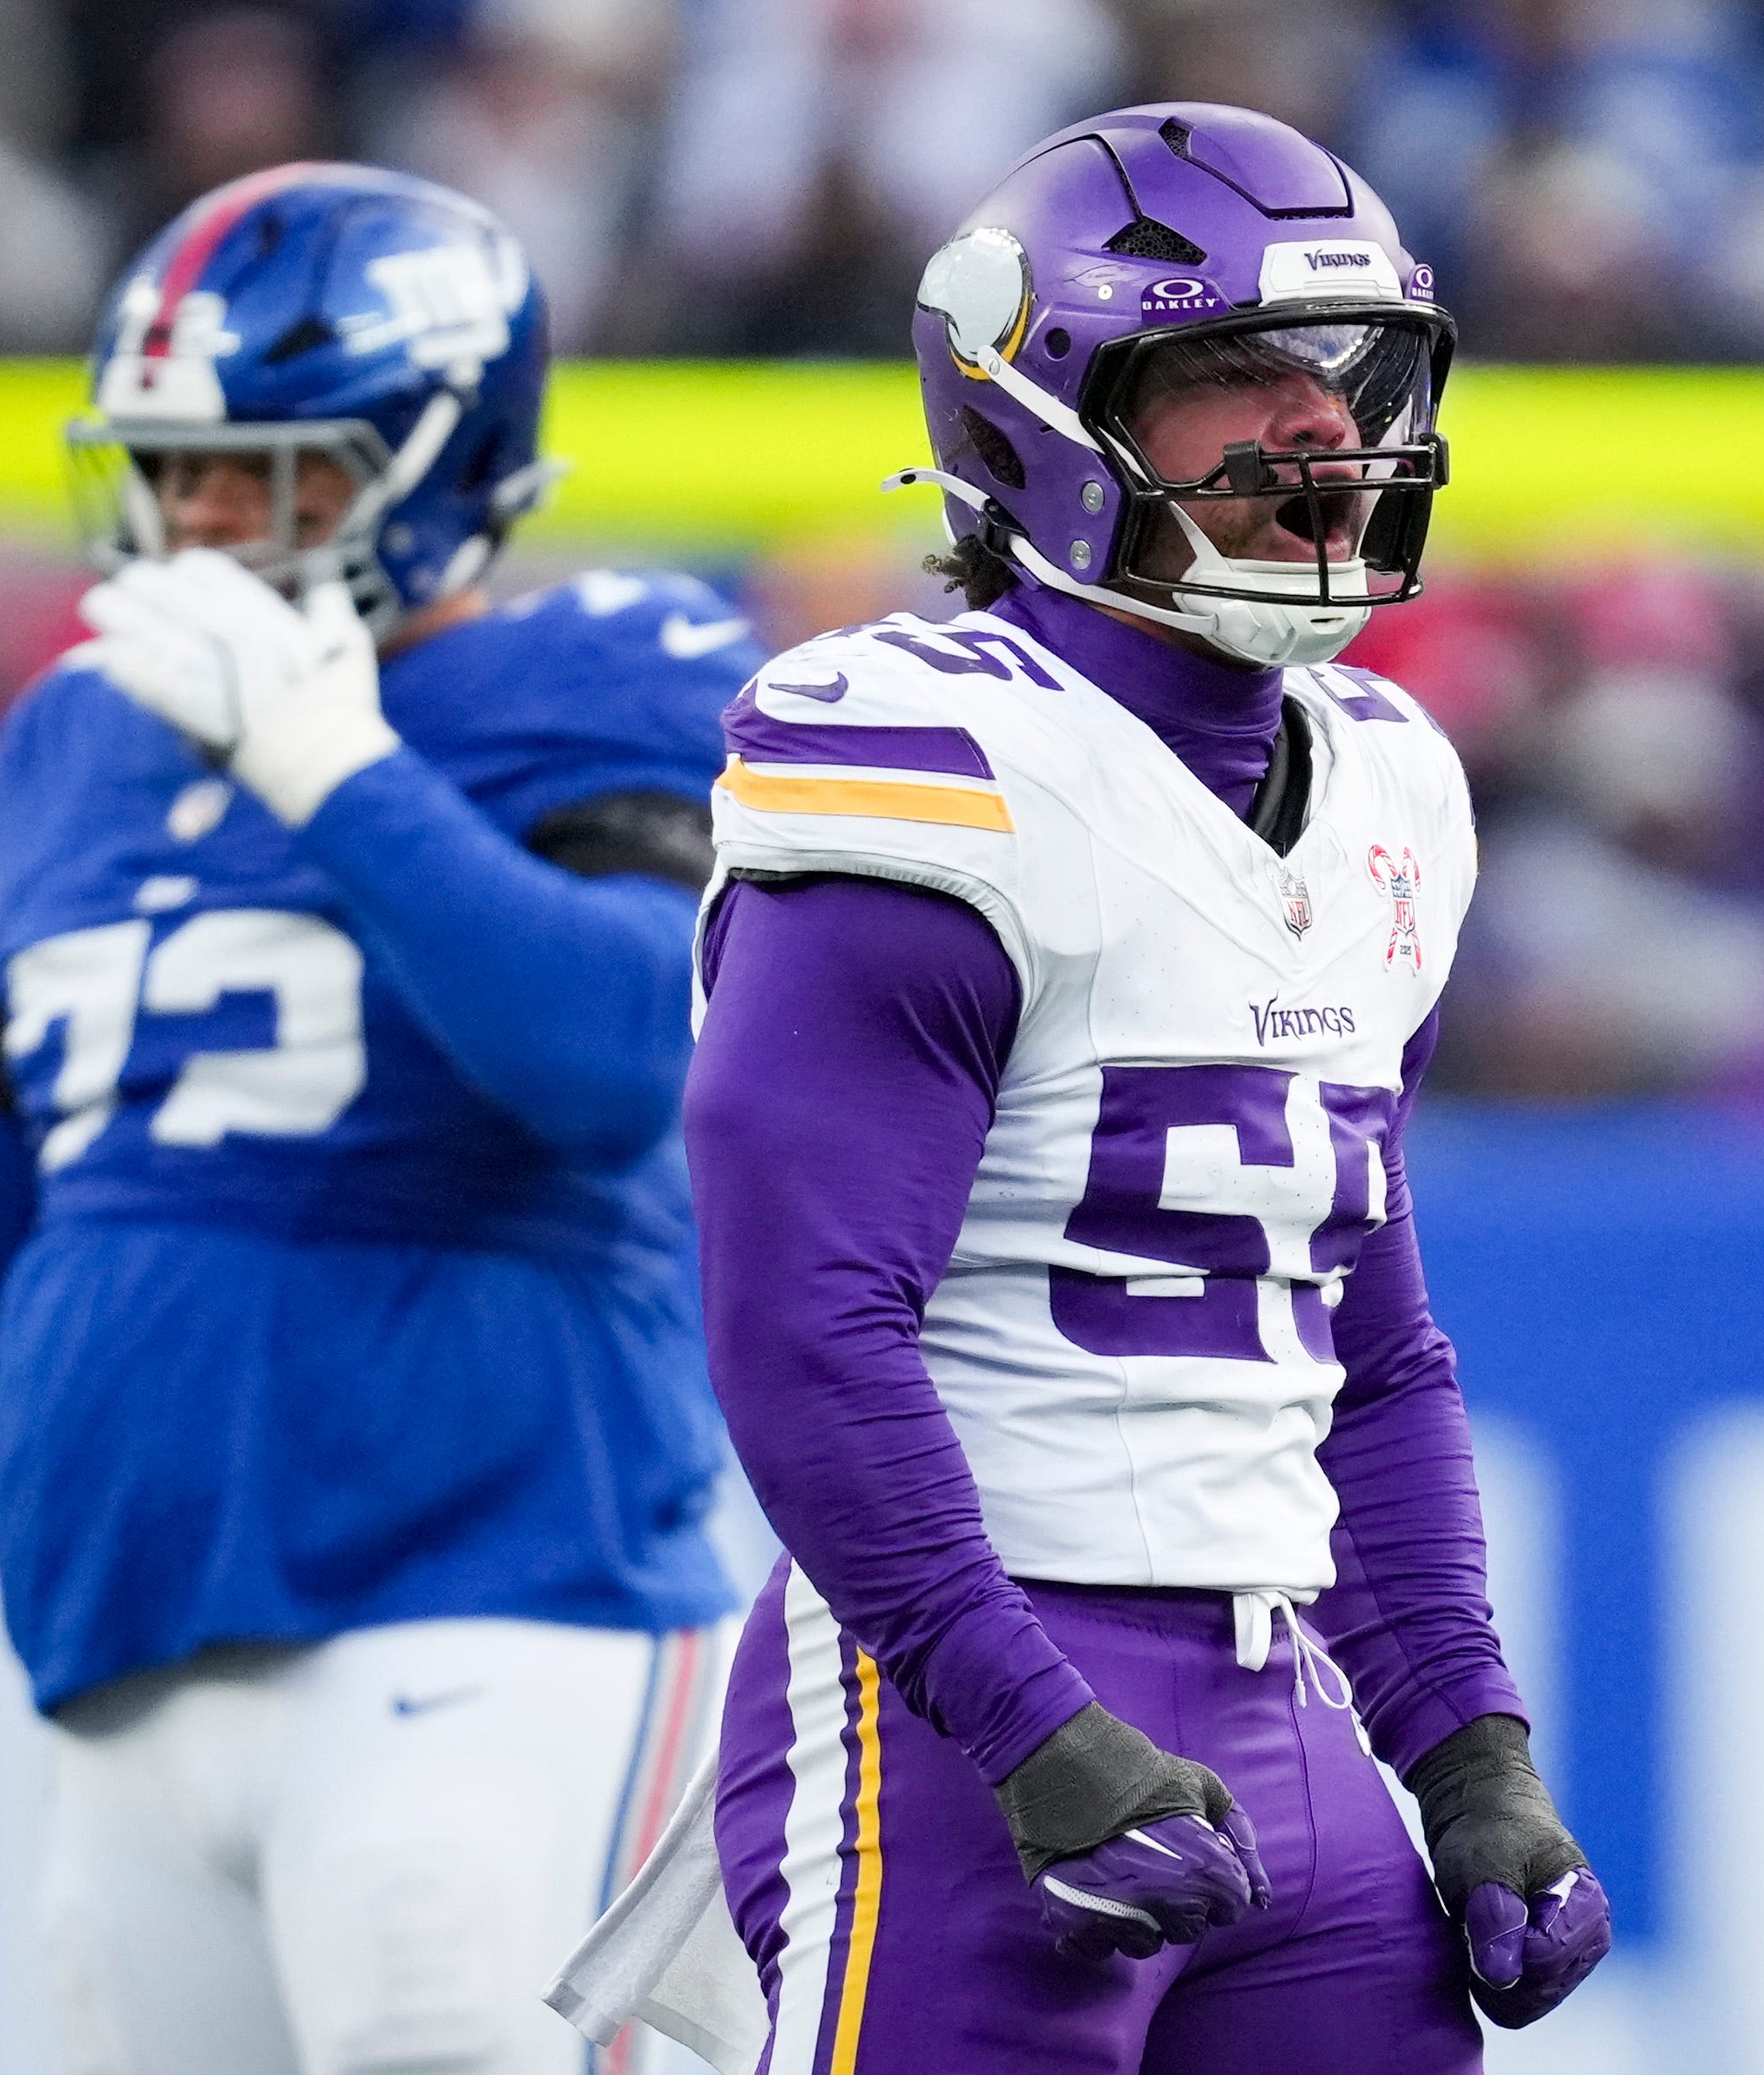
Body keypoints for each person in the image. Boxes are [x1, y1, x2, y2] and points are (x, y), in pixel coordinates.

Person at [0, 164, 759, 2075]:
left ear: (447, 465)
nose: (200, 523)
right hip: (125, 1665)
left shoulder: (600, 674)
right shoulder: (79, 737)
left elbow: (622, 1065)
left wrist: (332, 765)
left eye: (264, 475)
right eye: (171, 473)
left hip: (491, 1614)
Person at [670, 102, 1609, 2072]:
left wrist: (1467, 1750)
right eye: (1230, 379)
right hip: (959, 1705)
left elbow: (1365, 1347)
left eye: (1342, 375)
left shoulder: (1388, 783)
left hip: (1284, 1694)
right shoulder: (929, 764)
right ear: (1041, 421)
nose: (1318, 430)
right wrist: (1026, 1721)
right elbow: (806, 1324)